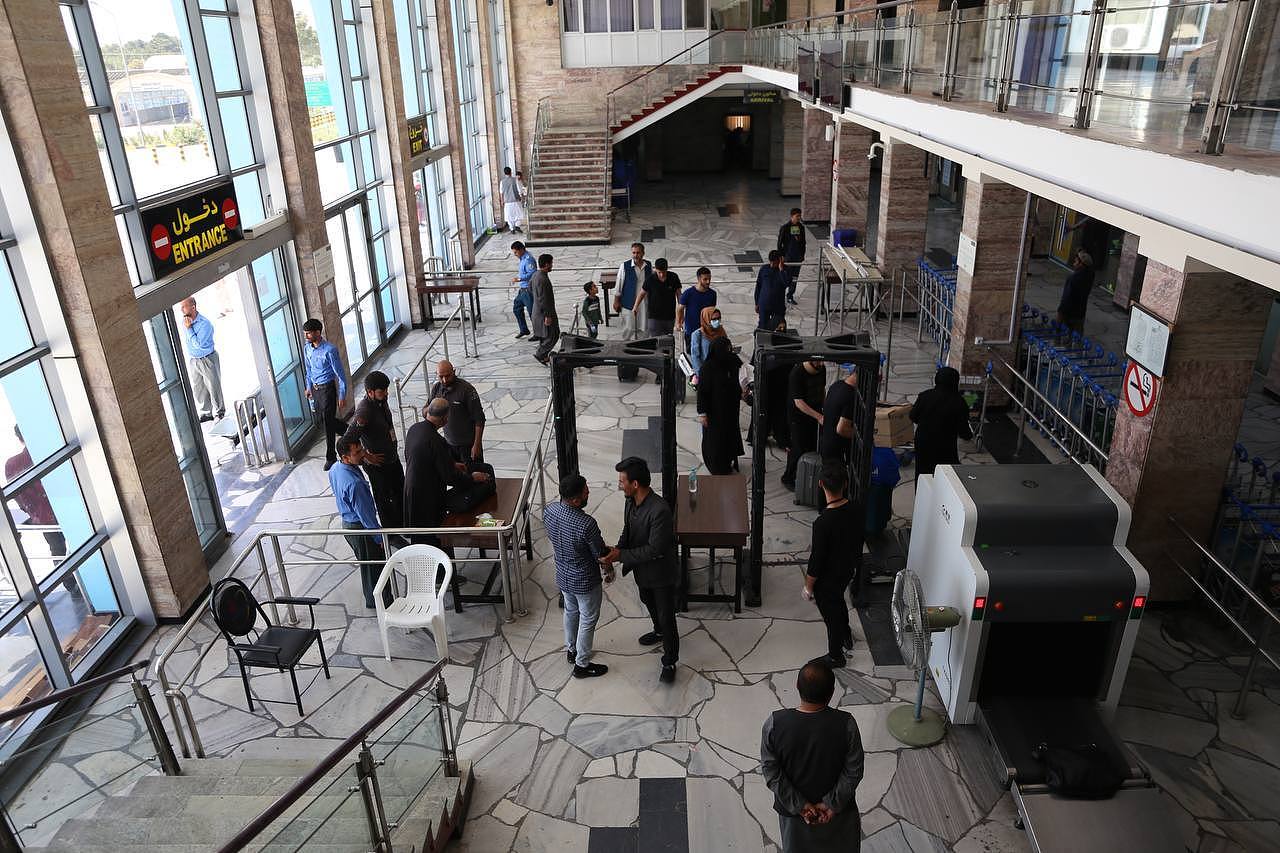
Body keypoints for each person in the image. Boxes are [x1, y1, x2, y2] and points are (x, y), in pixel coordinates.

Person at [761, 659, 865, 852]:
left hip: (794, 818)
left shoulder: (775, 724)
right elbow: (854, 770)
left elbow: (771, 772)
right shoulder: (846, 724)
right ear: (832, 693)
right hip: (840, 814)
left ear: (797, 686)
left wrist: (800, 805)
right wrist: (831, 803)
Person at [599, 457, 679, 683]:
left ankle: (670, 660)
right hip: (642, 571)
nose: (619, 485)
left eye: (622, 481)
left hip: (661, 573)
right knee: (646, 599)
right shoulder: (630, 501)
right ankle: (659, 632)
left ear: (635, 484)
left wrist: (621, 555)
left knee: (666, 616)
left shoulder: (659, 510)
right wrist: (616, 550)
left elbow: (655, 549)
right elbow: (629, 530)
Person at [543, 474, 611, 679]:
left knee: (571, 612)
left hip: (563, 575)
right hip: (585, 580)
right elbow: (600, 554)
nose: (588, 492)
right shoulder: (586, 524)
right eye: (585, 491)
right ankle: (582, 665)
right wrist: (609, 568)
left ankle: (571, 651)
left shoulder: (550, 511)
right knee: (588, 619)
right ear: (575, 500)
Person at [403, 398, 495, 543]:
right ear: (445, 418)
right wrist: (473, 478)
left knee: (419, 538)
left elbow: (417, 457)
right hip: (428, 498)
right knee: (434, 540)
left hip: (411, 492)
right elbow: (450, 478)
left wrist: (450, 463)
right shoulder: (436, 440)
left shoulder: (415, 429)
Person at [805, 463, 860, 666]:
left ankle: (836, 655)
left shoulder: (823, 523)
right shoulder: (855, 508)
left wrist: (808, 587)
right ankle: (846, 634)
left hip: (828, 578)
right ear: (845, 484)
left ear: (820, 484)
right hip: (847, 569)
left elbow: (816, 560)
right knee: (838, 601)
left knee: (831, 615)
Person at [329, 436, 391, 610]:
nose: (362, 453)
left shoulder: (335, 468)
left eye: (361, 448)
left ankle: (374, 599)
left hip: (348, 523)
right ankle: (381, 602)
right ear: (345, 457)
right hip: (360, 528)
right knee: (375, 568)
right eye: (357, 452)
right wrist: (379, 538)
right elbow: (367, 517)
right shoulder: (355, 484)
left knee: (367, 565)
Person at [343, 371, 404, 531]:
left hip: (391, 457)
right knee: (384, 500)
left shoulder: (380, 401)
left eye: (385, 389)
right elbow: (348, 439)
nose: (386, 393)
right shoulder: (364, 411)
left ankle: (404, 523)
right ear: (370, 392)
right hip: (378, 465)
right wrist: (366, 456)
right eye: (381, 391)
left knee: (400, 491)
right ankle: (391, 533)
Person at [5, 427, 68, 579]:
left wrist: (30, 512)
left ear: (19, 439)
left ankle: (71, 585)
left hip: (42, 515)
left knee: (57, 549)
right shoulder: (49, 452)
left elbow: (17, 495)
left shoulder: (11, 464)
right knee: (78, 544)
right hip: (64, 507)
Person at [909, 366, 973, 480]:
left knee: (922, 474)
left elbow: (913, 416)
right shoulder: (959, 402)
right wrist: (969, 435)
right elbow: (964, 431)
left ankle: (921, 496)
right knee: (945, 476)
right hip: (945, 448)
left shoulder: (925, 396)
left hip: (923, 443)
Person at [302, 318, 347, 470]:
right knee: (324, 421)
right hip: (315, 390)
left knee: (328, 424)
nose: (306, 336)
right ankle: (350, 432)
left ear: (317, 332)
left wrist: (342, 395)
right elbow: (308, 369)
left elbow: (340, 374)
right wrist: (308, 386)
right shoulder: (307, 348)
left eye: (308, 333)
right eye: (305, 334)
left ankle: (331, 457)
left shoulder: (330, 350)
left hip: (328, 389)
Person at [697, 337, 745, 475]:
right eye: (726, 350)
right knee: (715, 439)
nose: (728, 352)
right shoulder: (707, 368)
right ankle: (716, 464)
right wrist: (702, 413)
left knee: (729, 436)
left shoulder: (732, 362)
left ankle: (728, 460)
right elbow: (703, 392)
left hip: (730, 409)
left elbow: (740, 376)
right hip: (714, 411)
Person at [428, 360, 486, 465]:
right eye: (441, 377)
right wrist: (433, 407)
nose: (445, 380)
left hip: (468, 445)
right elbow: (427, 411)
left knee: (475, 475)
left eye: (448, 376)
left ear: (454, 372)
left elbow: (479, 419)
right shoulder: (436, 388)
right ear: (437, 375)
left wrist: (477, 445)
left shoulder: (467, 389)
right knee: (457, 477)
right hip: (449, 444)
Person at [782, 360, 827, 490]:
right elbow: (799, 402)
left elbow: (822, 389)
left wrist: (823, 407)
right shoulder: (797, 373)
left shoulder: (821, 369)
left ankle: (806, 474)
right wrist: (818, 416)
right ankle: (788, 477)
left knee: (811, 445)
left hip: (814, 412)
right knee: (798, 447)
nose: (821, 364)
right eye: (818, 362)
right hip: (798, 416)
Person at [180, 297, 224, 422]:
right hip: (194, 360)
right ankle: (206, 412)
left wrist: (189, 329)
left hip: (207, 359)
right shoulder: (186, 321)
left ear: (193, 307)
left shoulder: (205, 324)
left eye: (184, 306)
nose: (181, 310)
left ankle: (219, 412)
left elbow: (199, 344)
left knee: (213, 385)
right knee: (199, 387)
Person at [818, 366, 860, 463]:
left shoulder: (836, 385)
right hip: (838, 451)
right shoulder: (851, 395)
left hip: (826, 443)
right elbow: (842, 429)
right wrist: (860, 436)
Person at [614, 243, 652, 341]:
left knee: (644, 326)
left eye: (638, 253)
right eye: (633, 253)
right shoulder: (625, 266)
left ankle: (642, 347)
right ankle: (625, 346)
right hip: (629, 301)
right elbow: (619, 283)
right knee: (628, 327)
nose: (635, 255)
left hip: (644, 302)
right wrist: (616, 300)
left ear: (643, 253)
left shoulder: (648, 265)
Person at [635, 257, 681, 337]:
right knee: (656, 340)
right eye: (659, 272)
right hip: (654, 316)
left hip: (669, 316)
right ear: (655, 269)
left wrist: (681, 310)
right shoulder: (650, 279)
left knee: (668, 340)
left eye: (664, 272)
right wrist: (635, 306)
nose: (662, 275)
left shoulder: (674, 277)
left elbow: (679, 294)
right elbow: (642, 293)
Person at [676, 267, 717, 352]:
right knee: (691, 353)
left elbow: (712, 312)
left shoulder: (712, 294)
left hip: (706, 331)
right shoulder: (688, 293)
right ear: (698, 279)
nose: (708, 282)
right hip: (691, 330)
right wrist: (679, 322)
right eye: (705, 279)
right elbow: (680, 308)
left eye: (709, 279)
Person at [1056, 249, 1095, 334]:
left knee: (1065, 335)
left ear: (1081, 264)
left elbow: (1067, 297)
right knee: (1077, 336)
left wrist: (1060, 312)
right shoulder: (1089, 276)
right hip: (1080, 312)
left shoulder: (1074, 278)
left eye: (1077, 260)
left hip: (1069, 312)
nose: (1074, 260)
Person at [531, 253, 560, 364]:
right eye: (551, 263)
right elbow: (544, 299)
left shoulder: (535, 275)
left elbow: (530, 288)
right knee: (553, 334)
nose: (552, 265)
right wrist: (547, 315)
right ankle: (540, 354)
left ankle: (544, 355)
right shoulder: (543, 279)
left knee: (545, 335)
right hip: (544, 314)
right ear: (547, 264)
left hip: (537, 312)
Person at [689, 306, 726, 384]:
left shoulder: (721, 331)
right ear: (706, 318)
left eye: (719, 318)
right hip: (706, 373)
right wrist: (701, 374)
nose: (717, 321)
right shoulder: (697, 334)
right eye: (714, 319)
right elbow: (695, 356)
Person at [778, 208, 807, 306]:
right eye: (797, 216)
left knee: (795, 277)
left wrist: (802, 255)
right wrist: (781, 256)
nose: (799, 218)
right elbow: (780, 243)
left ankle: (790, 295)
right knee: (786, 276)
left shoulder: (801, 227)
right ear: (792, 216)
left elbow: (803, 242)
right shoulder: (785, 228)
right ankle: (780, 295)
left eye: (800, 216)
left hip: (797, 257)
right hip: (788, 257)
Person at [756, 250, 789, 331]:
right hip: (764, 304)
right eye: (770, 262)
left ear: (780, 260)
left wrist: (781, 269)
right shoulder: (764, 269)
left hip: (778, 306)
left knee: (779, 328)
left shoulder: (785, 270)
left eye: (774, 262)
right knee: (762, 328)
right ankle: (761, 341)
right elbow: (758, 286)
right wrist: (756, 302)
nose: (771, 264)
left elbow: (786, 283)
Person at [511, 241, 536, 339]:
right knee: (517, 308)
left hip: (528, 290)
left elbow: (532, 273)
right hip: (522, 289)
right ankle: (524, 329)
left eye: (516, 252)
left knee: (532, 312)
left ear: (521, 250)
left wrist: (520, 279)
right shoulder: (522, 258)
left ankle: (538, 333)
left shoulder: (528, 260)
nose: (515, 254)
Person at [500, 166, 524, 234]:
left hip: (507, 201)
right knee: (519, 214)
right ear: (511, 172)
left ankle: (511, 228)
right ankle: (517, 225)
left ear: (504, 173)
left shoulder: (502, 182)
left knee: (509, 215)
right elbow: (519, 189)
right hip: (516, 200)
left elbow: (501, 192)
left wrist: (502, 201)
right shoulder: (515, 180)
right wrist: (521, 196)